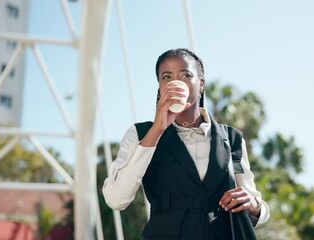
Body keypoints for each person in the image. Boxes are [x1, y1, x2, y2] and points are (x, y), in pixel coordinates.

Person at [102, 48, 269, 240]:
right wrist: (157, 129)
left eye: (186, 75)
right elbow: (115, 200)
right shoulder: (139, 134)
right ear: (160, 86)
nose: (176, 82)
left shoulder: (231, 138)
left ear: (201, 84)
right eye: (166, 77)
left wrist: (254, 205)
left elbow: (257, 207)